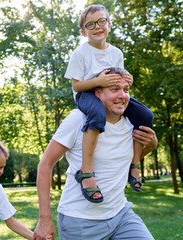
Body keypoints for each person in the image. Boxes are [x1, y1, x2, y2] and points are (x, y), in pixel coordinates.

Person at [33, 67, 158, 240]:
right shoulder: (78, 119)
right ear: (98, 93)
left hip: (120, 215)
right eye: (115, 89)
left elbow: (119, 163)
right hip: (80, 221)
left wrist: (150, 146)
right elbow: (45, 164)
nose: (122, 95)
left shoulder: (132, 124)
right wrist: (44, 219)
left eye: (126, 90)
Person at [65, 4, 153, 202]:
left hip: (110, 94)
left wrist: (126, 80)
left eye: (101, 21)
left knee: (146, 115)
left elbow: (118, 78)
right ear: (83, 31)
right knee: (97, 114)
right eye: (90, 24)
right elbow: (76, 85)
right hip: (87, 94)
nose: (97, 27)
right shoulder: (80, 53)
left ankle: (135, 164)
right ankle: (86, 172)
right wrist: (99, 82)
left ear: (109, 25)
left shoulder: (116, 53)